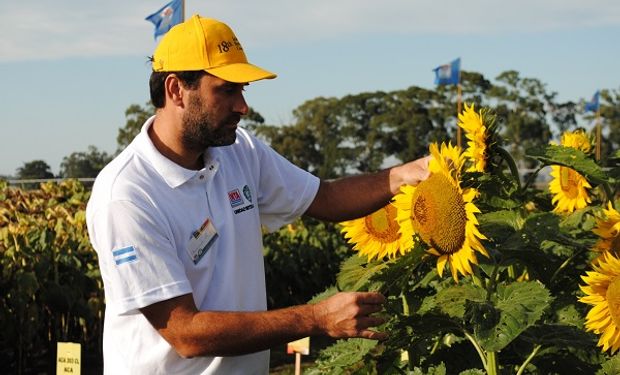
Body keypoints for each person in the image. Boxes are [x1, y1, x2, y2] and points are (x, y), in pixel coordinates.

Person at [86, 14, 430, 374]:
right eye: (227, 90)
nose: (243, 107)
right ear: (176, 90)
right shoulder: (127, 196)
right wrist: (315, 318)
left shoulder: (239, 151)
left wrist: (406, 175)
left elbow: (324, 198)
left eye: (243, 91)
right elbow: (185, 332)